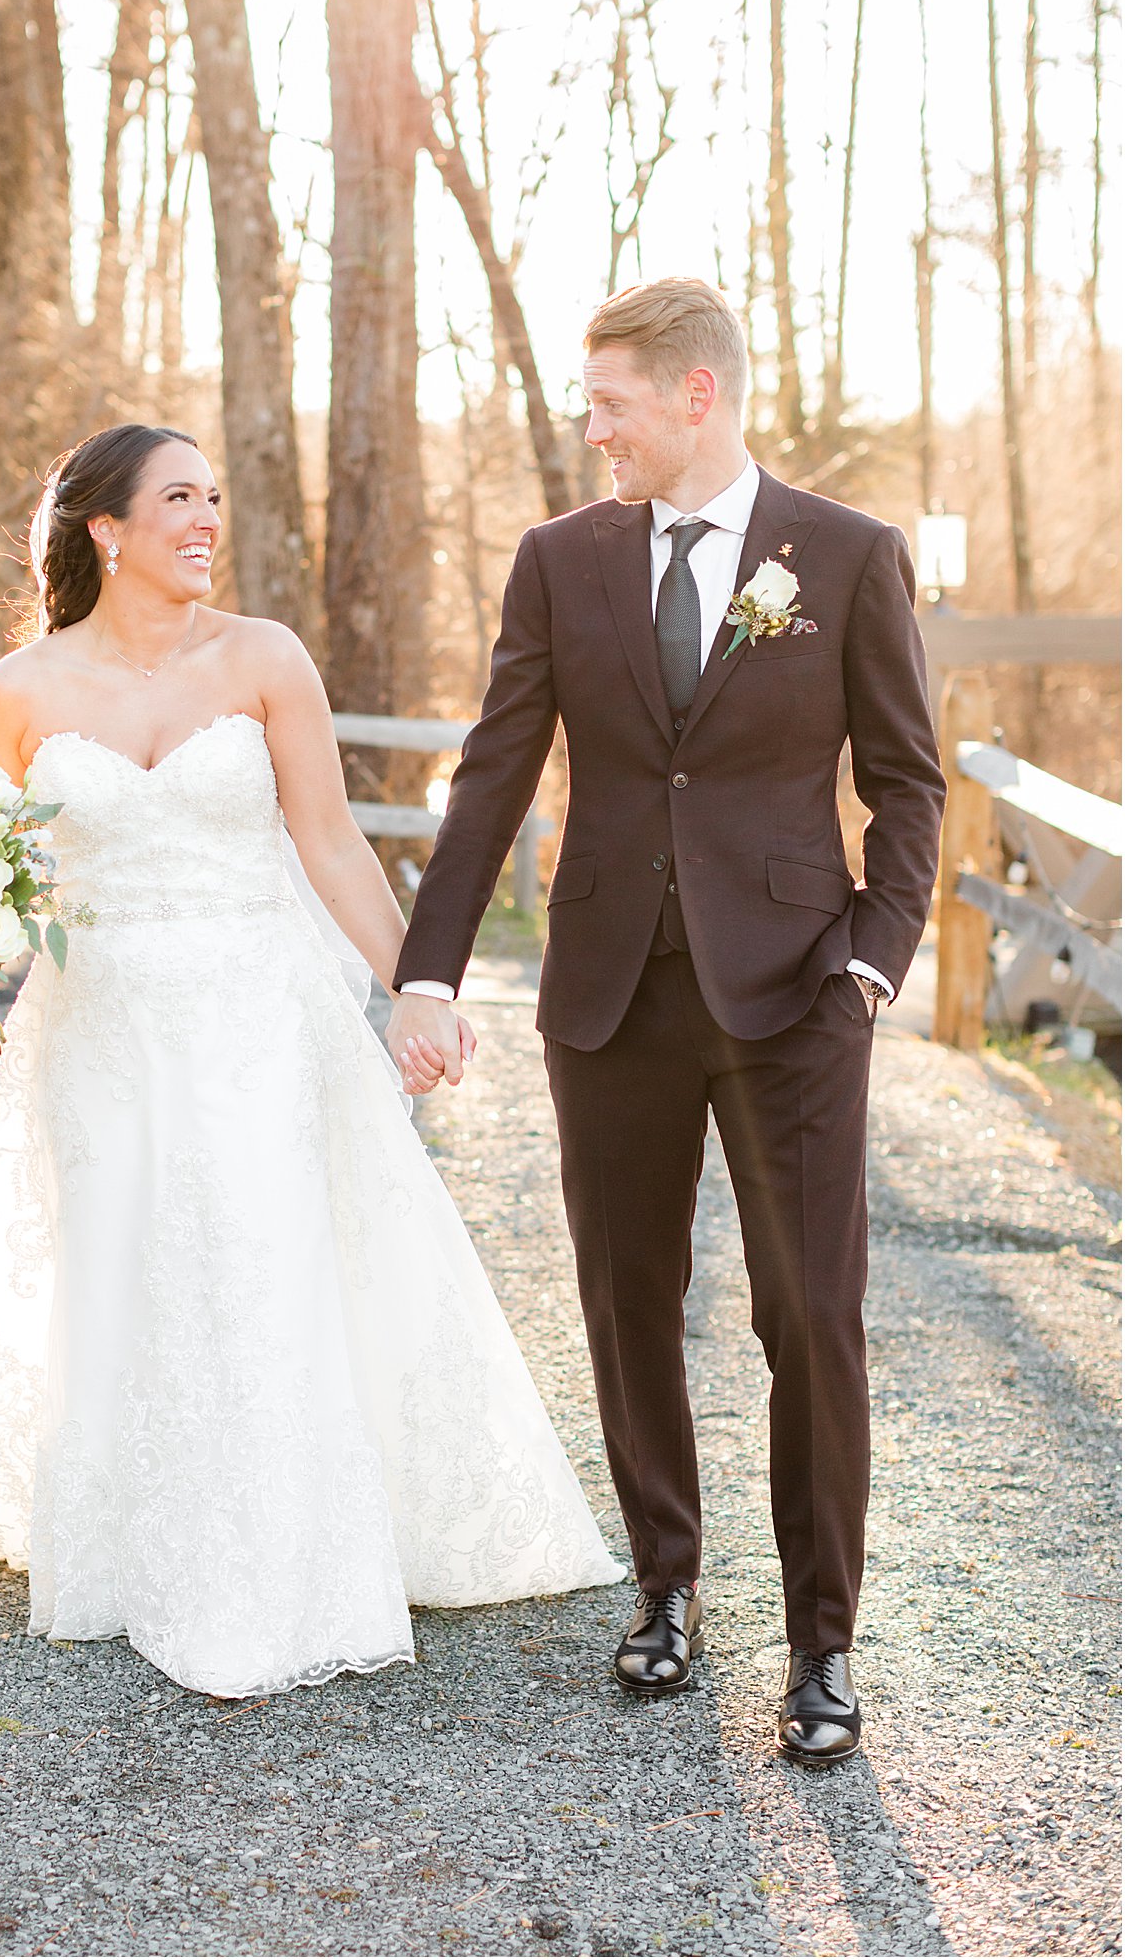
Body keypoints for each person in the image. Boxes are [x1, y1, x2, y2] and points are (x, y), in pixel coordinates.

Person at [0, 421, 620, 1700]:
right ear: (106, 529)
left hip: (255, 1012)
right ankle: (127, 1547)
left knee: (258, 1252)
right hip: (99, 1025)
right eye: (178, 498)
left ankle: (287, 1552)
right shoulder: (21, 690)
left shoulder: (266, 659)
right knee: (126, 1262)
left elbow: (330, 845)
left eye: (212, 497)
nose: (205, 517)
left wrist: (418, 988)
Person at [387, 279, 945, 1765]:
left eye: (612, 404)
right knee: (628, 1301)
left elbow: (909, 783)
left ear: (698, 394)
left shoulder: (845, 554)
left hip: (799, 1001)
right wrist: (428, 970)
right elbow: (494, 773)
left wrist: (872, 962)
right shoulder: (558, 564)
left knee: (810, 1317)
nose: (593, 432)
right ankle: (668, 1587)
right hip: (609, 992)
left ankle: (823, 1647)